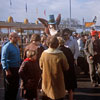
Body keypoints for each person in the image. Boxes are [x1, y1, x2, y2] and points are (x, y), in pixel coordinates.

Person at [39, 36, 69, 100]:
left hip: (47, 82)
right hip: (58, 82)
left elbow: (41, 66)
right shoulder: (61, 54)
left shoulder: (44, 54)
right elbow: (66, 67)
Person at [1, 32, 21, 100]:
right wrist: (7, 70)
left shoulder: (16, 45)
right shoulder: (7, 47)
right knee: (9, 88)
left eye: (17, 37)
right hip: (10, 69)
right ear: (10, 38)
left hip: (16, 69)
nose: (17, 39)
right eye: (15, 37)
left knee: (15, 87)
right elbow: (3, 60)